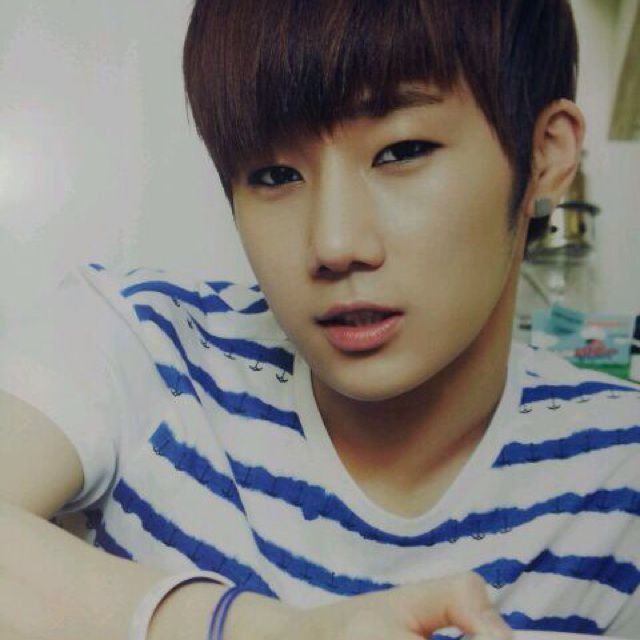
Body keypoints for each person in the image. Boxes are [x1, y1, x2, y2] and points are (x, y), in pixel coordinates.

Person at [1, 1, 638, 639]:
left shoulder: (619, 472)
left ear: (545, 155)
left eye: (401, 151)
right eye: (274, 174)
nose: (334, 244)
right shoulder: (149, 344)